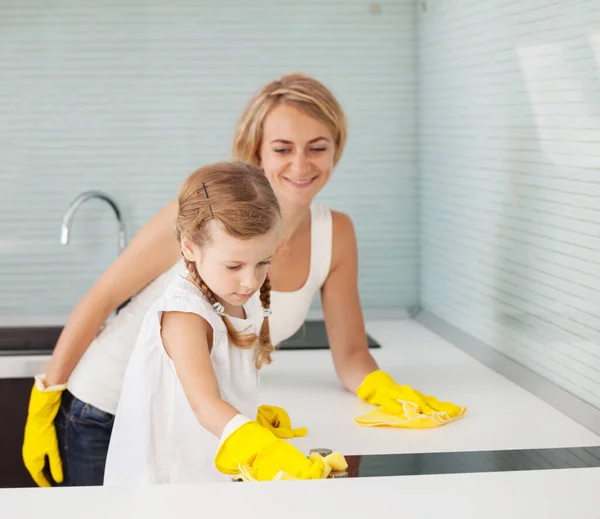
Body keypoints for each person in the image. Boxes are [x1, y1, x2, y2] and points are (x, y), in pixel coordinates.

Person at [22, 72, 462, 488]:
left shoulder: (336, 234)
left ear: (336, 150)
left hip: (196, 421)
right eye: (283, 148)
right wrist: (45, 398)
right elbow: (102, 299)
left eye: (317, 147)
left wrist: (385, 391)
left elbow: (349, 354)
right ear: (256, 152)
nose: (301, 164)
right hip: (106, 406)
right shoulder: (206, 212)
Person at [103, 160, 343, 484]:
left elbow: (223, 382)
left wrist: (248, 416)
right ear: (190, 247)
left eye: (263, 262)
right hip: (165, 486)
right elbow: (205, 404)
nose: (249, 281)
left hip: (208, 477)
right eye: (234, 266)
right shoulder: (184, 315)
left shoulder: (233, 298)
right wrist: (259, 445)